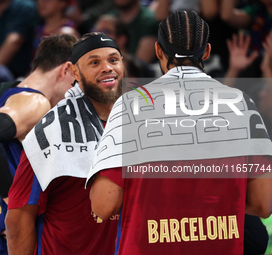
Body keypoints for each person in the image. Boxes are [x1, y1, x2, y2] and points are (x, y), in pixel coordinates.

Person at [88, 10, 272, 255]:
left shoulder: (130, 105)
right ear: (206, 52)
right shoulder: (241, 103)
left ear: (158, 51)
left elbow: (104, 205)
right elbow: (263, 204)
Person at [0, 34, 77, 255]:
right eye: (77, 82)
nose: (75, 93)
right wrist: (15, 206)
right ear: (66, 70)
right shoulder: (35, 101)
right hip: (4, 242)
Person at [5, 32, 124, 255]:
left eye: (113, 59)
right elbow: (19, 216)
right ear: (76, 72)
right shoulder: (51, 130)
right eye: (95, 62)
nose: (107, 68)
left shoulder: (138, 121)